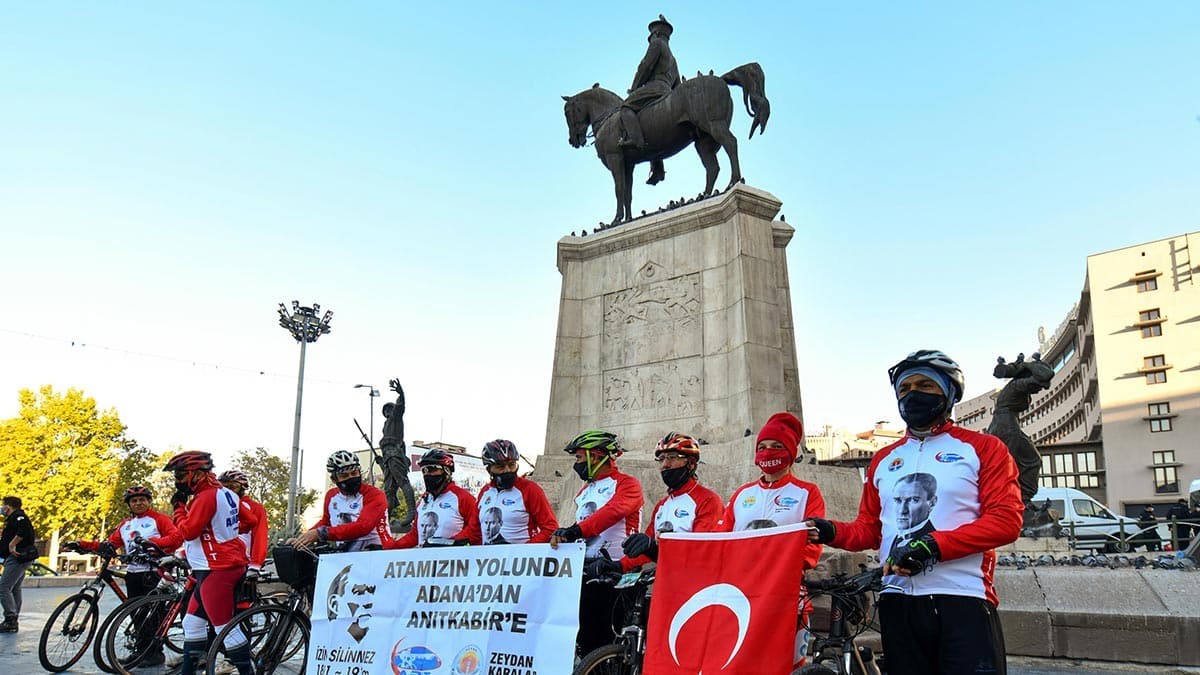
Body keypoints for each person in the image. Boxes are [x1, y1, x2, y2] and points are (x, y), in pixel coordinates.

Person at [807, 349, 1023, 675]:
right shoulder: (883, 459)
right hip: (897, 601)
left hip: (961, 597)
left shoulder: (984, 448)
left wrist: (933, 545)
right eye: (904, 389)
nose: (912, 394)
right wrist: (829, 531)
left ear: (948, 393)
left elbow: (1005, 521)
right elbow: (870, 530)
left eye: (924, 385)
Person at [718, 413, 824, 671]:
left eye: (776, 446)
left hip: (788, 598)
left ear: (790, 451)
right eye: (762, 447)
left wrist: (779, 567)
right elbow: (719, 542)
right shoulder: (743, 494)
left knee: (788, 668)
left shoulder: (807, 492)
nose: (768, 452)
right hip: (743, 597)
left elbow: (813, 547)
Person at [148, 451, 259, 675]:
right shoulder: (226, 492)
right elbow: (250, 521)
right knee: (192, 624)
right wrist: (223, 532)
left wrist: (178, 508)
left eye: (180, 475)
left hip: (216, 569)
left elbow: (188, 531)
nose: (177, 481)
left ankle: (248, 671)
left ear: (197, 474)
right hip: (217, 566)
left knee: (224, 628)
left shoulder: (206, 496)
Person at [549, 430, 644, 657]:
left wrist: (574, 531)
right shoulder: (585, 491)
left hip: (617, 572)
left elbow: (610, 514)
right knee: (585, 638)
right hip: (588, 569)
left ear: (596, 456)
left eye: (580, 458)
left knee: (606, 640)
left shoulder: (627, 484)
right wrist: (563, 536)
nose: (577, 464)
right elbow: (583, 523)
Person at [66, 486, 179, 662]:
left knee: (151, 614)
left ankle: (154, 654)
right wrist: (82, 544)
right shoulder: (125, 525)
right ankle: (142, 651)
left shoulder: (159, 519)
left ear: (149, 501)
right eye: (134, 500)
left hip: (154, 572)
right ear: (129, 504)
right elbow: (110, 544)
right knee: (137, 613)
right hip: (133, 572)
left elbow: (176, 538)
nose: (138, 503)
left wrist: (152, 543)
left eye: (142, 499)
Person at [590, 432, 722, 577]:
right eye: (661, 459)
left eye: (672, 457)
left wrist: (655, 549)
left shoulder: (708, 500)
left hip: (695, 585)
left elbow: (701, 550)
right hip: (666, 584)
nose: (665, 465)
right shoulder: (662, 505)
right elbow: (644, 551)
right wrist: (618, 566)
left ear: (690, 464)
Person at [619, 15, 679, 185]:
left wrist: (634, 87)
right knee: (655, 129)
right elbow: (678, 85)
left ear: (656, 33)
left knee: (625, 107)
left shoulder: (657, 44)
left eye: (651, 34)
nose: (650, 38)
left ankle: (635, 139)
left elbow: (645, 66)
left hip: (655, 87)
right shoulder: (673, 59)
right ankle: (657, 168)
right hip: (667, 91)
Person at [294, 451, 392, 551]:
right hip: (344, 554)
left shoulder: (374, 494)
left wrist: (321, 533)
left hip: (375, 552)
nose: (351, 478)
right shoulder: (331, 495)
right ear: (334, 480)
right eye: (344, 476)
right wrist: (303, 538)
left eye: (354, 473)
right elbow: (326, 521)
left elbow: (363, 526)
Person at [390, 449, 481, 548]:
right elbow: (415, 535)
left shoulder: (463, 498)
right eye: (424, 470)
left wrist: (449, 543)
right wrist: (391, 547)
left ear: (446, 471)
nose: (428, 474)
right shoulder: (422, 501)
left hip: (452, 559)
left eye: (432, 469)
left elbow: (475, 530)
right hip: (425, 560)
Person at [475, 439, 558, 545]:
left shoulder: (530, 489)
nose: (507, 470)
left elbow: (550, 528)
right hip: (489, 558)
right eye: (500, 466)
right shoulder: (485, 492)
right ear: (489, 469)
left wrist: (523, 551)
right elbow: (474, 531)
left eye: (511, 464)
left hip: (520, 558)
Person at [217, 470, 269, 587]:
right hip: (216, 562)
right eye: (223, 487)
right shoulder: (217, 506)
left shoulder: (254, 508)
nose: (228, 491)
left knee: (237, 603)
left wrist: (255, 565)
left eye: (233, 487)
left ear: (242, 488)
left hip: (241, 564)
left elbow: (260, 537)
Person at [0, 496, 38, 633]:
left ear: (8, 507)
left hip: (17, 558)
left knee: (3, 587)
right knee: (15, 587)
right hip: (18, 558)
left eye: (3, 505)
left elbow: (24, 531)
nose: (2, 508)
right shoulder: (14, 518)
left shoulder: (19, 517)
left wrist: (12, 544)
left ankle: (10, 618)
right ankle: (13, 618)